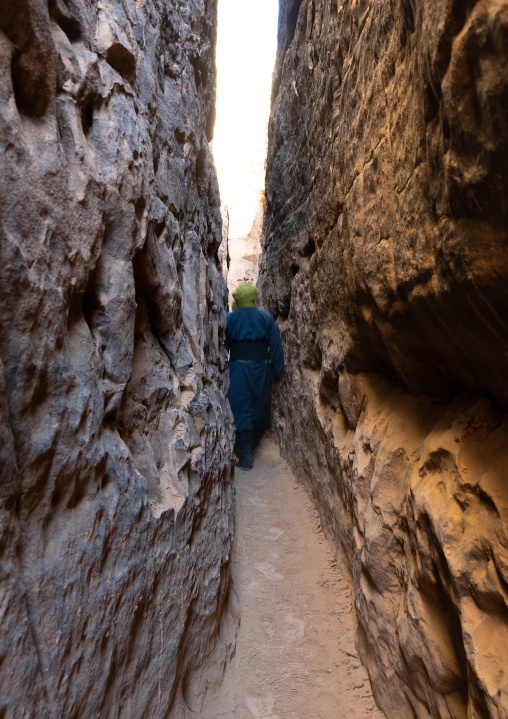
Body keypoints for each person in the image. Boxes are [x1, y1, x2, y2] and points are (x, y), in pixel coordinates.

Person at [226, 283, 284, 470]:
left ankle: (244, 455)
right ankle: (252, 446)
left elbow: (224, 345)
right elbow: (275, 345)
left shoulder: (231, 318)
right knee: (260, 406)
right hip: (261, 370)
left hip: (239, 370)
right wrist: (277, 370)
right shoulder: (265, 316)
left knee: (240, 408)